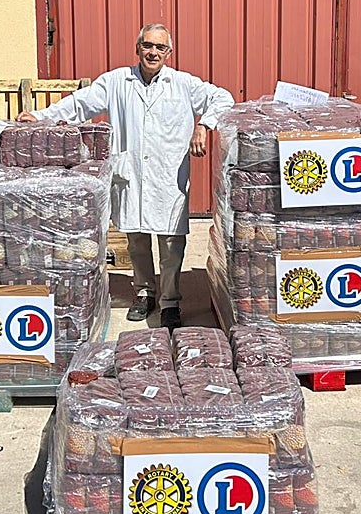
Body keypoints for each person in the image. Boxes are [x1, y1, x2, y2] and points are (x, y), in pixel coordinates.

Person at [15, 23, 233, 330]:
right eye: (147, 45)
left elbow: (222, 98)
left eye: (160, 47)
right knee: (136, 242)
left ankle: (170, 301)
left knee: (172, 244)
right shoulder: (118, 81)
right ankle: (144, 293)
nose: (153, 52)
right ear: (137, 48)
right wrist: (41, 116)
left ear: (168, 53)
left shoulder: (183, 84)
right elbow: (81, 103)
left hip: (167, 176)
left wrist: (204, 125)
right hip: (131, 174)